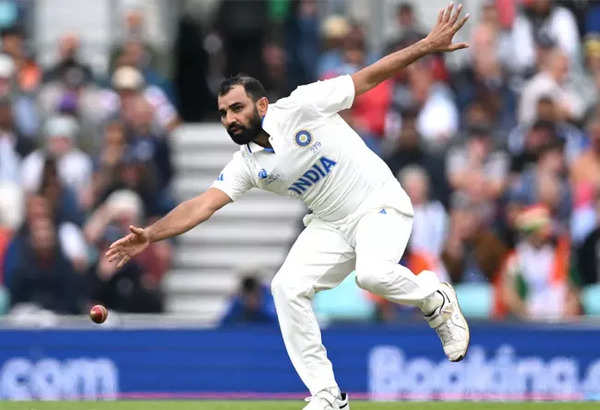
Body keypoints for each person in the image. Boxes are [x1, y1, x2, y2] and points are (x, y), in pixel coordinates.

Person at [106, 5, 470, 410]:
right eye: (224, 113)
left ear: (262, 106)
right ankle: (328, 395)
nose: (229, 119)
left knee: (371, 274)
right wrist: (151, 234)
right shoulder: (247, 164)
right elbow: (202, 205)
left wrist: (425, 46)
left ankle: (434, 299)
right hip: (331, 225)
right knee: (286, 287)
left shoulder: (302, 105)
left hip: (379, 204)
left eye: (237, 109)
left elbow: (367, 77)